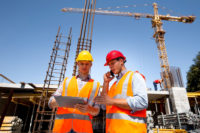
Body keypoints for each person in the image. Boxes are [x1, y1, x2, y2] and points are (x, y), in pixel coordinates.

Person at [95, 50, 148, 133]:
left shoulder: (134, 76)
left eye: (112, 63)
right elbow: (104, 106)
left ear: (121, 61)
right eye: (109, 65)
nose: (110, 67)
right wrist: (105, 83)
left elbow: (142, 102)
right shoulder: (114, 85)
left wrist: (112, 101)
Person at [49, 50, 100, 133]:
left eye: (87, 64)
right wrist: (57, 102)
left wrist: (89, 109)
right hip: (62, 128)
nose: (84, 66)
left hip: (83, 129)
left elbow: (97, 111)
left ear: (91, 65)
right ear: (77, 64)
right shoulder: (67, 81)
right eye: (81, 63)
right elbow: (50, 101)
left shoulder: (96, 85)